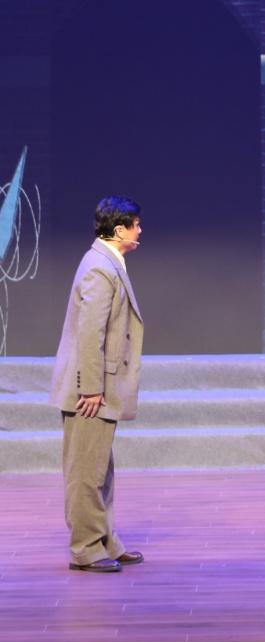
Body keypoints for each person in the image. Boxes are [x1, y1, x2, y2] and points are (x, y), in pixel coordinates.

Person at [49, 196, 146, 572]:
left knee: (100, 470)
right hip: (89, 391)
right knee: (85, 472)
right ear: (119, 230)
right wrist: (90, 387)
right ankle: (86, 548)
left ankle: (105, 540)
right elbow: (91, 333)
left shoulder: (107, 263)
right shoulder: (99, 268)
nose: (140, 230)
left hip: (99, 388)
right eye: (136, 225)